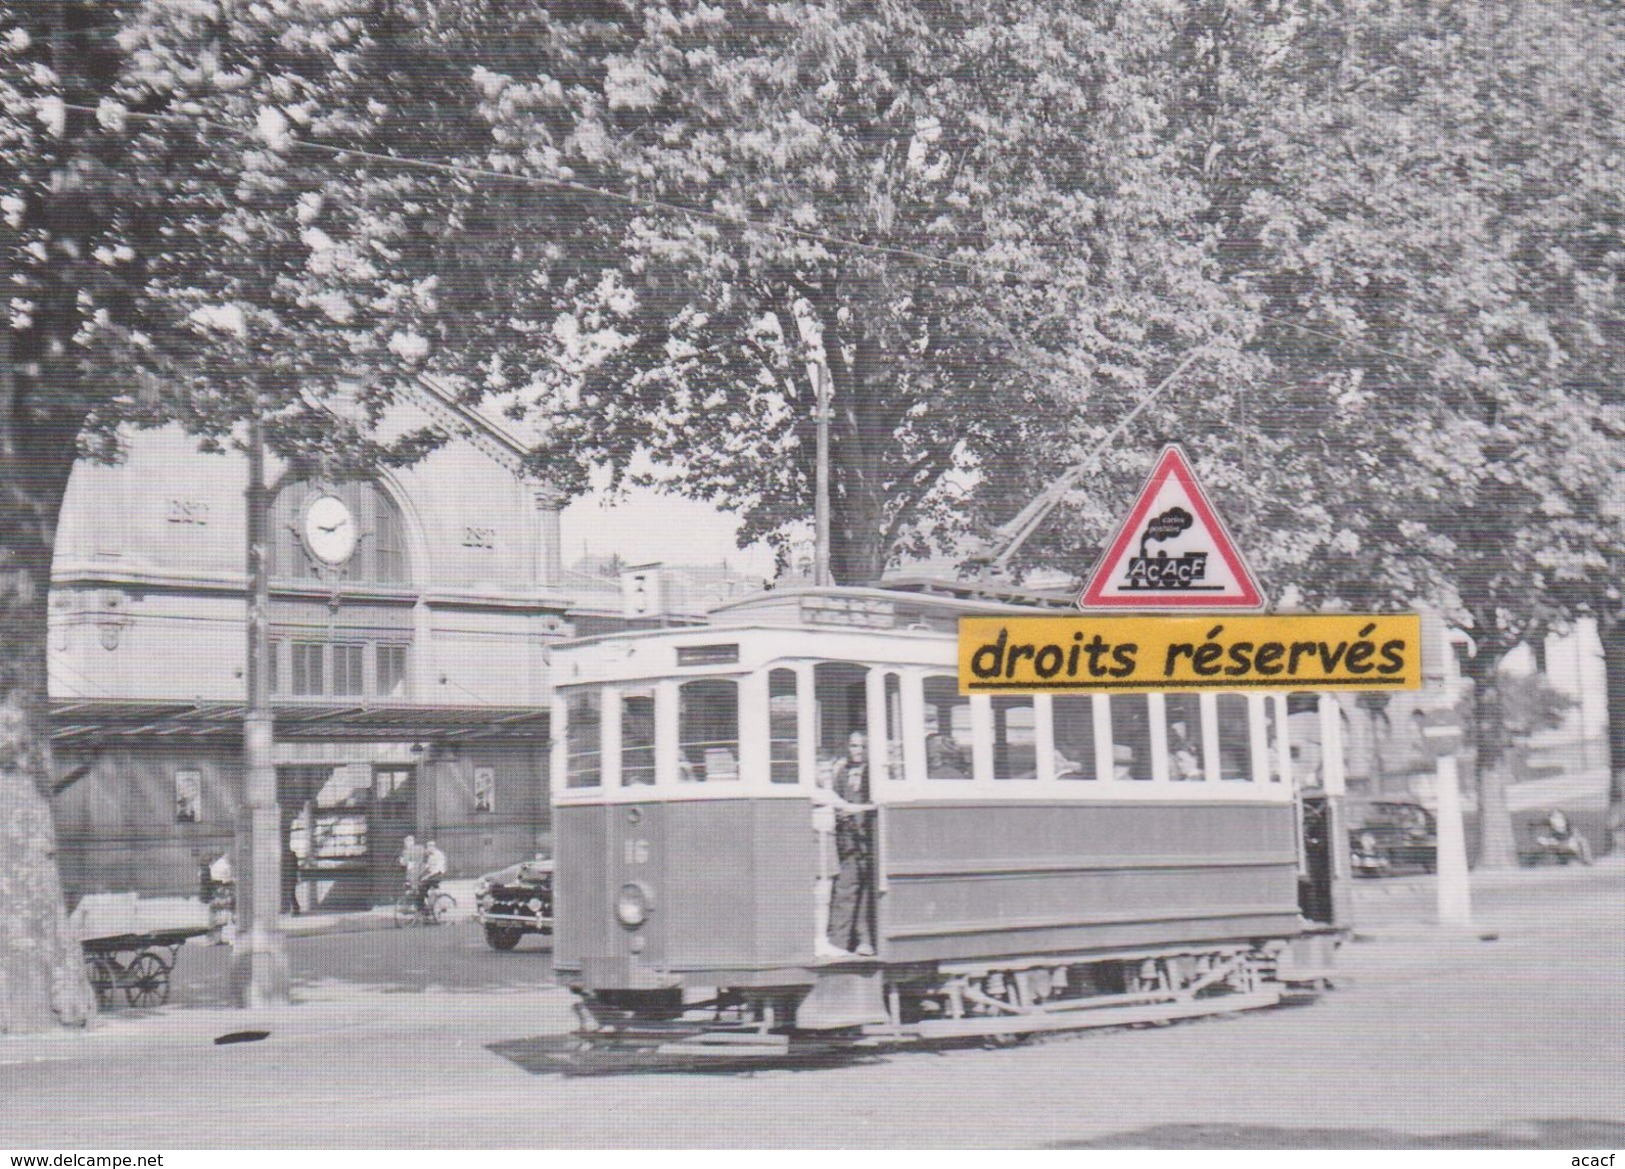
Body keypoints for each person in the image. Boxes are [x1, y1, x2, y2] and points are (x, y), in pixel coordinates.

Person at [818, 731, 876, 958]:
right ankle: (841, 942)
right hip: (848, 839)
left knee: (864, 891)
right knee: (847, 888)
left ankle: (861, 940)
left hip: (868, 839)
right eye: (853, 745)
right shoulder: (842, 773)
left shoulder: (874, 774)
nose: (857, 750)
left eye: (862, 746)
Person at [419, 840, 448, 908]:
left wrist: (427, 876)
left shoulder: (439, 855)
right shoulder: (431, 855)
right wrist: (420, 873)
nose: (428, 849)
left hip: (438, 875)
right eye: (427, 847)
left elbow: (437, 870)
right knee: (421, 885)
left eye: (429, 847)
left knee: (422, 886)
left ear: (433, 847)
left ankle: (425, 907)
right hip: (433, 875)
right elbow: (427, 866)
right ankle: (426, 903)